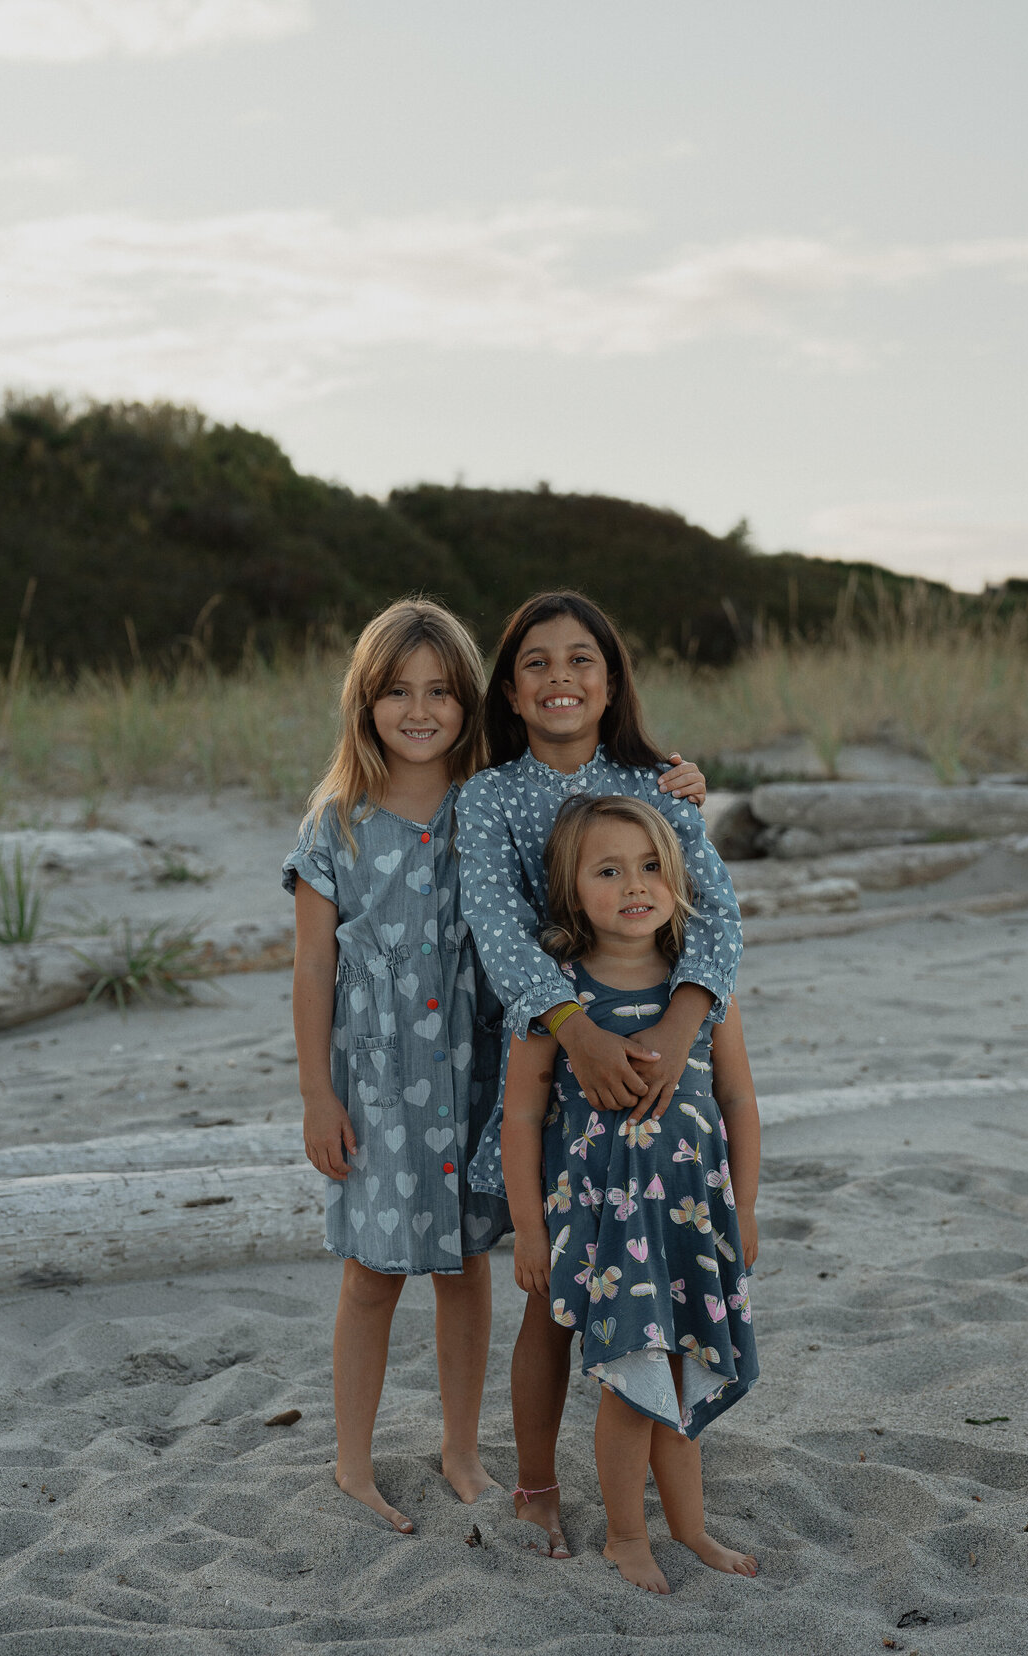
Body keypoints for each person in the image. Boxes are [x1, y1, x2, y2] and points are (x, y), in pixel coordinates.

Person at [456, 589, 743, 1556]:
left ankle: (664, 1498)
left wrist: (679, 1023)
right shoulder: (487, 795)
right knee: (552, 1300)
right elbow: (499, 929)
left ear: (611, 679)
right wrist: (576, 1030)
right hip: (559, 1063)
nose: (560, 678)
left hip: (663, 1050)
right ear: (509, 687)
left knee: (659, 1303)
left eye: (582, 659)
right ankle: (537, 1482)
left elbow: (717, 914)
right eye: (535, 662)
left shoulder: (662, 787)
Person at [284, 599, 511, 1536]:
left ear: (468, 702)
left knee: (464, 1266)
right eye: (396, 692)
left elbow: (603, 805)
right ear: (364, 702)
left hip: (474, 1074)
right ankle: (352, 1459)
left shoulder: (491, 805)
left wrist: (683, 784)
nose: (419, 710)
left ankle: (461, 1449)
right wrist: (315, 1096)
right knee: (371, 1273)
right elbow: (310, 967)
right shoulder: (336, 825)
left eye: (442, 692)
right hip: (374, 1082)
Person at [502, 794, 759, 1593]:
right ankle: (624, 1536)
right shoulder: (557, 999)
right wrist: (531, 1234)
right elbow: (520, 1116)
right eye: (608, 871)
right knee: (632, 1380)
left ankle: (689, 1528)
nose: (635, 885)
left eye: (651, 867)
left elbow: (740, 1103)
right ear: (572, 891)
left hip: (692, 1226)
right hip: (610, 1232)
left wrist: (744, 1208)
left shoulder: (702, 990)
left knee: (681, 1379)